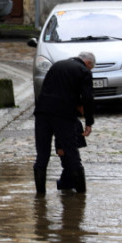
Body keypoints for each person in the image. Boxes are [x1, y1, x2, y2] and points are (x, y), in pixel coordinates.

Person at [33, 53, 96, 196]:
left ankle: (40, 195)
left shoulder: (57, 65)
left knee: (42, 156)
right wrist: (89, 122)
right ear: (88, 64)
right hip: (63, 116)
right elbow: (88, 98)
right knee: (73, 155)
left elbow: (45, 89)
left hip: (42, 113)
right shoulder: (83, 71)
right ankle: (81, 195)